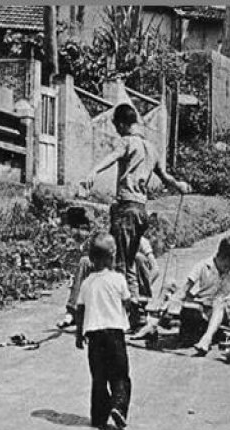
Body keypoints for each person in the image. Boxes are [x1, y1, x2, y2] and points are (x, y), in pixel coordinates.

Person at [82, 103, 191, 331]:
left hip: (125, 209)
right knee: (129, 262)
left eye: (116, 126)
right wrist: (179, 185)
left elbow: (112, 157)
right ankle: (137, 314)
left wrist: (93, 171)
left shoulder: (127, 142)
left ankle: (125, 314)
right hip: (141, 211)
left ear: (122, 124)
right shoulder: (152, 148)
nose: (117, 130)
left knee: (118, 263)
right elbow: (165, 176)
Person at [132, 236, 230, 356]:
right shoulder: (203, 265)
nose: (229, 269)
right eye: (227, 266)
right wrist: (170, 304)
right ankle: (152, 324)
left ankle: (207, 339)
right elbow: (184, 290)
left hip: (220, 312)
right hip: (202, 306)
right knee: (170, 284)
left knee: (219, 301)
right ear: (220, 256)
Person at [74, 232, 132, 430]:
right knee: (120, 376)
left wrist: (78, 334)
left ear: (91, 259)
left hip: (94, 336)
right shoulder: (118, 279)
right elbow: (127, 302)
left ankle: (99, 417)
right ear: (112, 257)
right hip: (115, 334)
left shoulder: (87, 283)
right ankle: (118, 407)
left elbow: (80, 310)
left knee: (99, 378)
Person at [58, 236, 159, 329]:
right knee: (84, 261)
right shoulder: (114, 237)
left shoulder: (141, 241)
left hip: (131, 282)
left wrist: (138, 288)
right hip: (113, 274)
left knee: (139, 258)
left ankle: (138, 311)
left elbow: (155, 269)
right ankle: (72, 312)